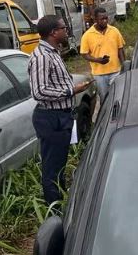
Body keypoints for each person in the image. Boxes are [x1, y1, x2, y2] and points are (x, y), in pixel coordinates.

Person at [28, 15, 93, 205]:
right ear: (53, 33)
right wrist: (72, 90)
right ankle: (54, 210)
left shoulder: (53, 53)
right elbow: (39, 92)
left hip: (61, 116)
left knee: (59, 164)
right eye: (63, 28)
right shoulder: (42, 57)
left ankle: (60, 200)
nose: (66, 31)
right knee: (52, 168)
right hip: (50, 117)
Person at [80, 7, 126, 102]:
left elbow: (120, 49)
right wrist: (98, 60)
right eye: (102, 19)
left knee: (118, 97)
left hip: (116, 71)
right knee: (104, 100)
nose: (105, 21)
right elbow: (84, 54)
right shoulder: (87, 35)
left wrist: (124, 65)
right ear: (95, 19)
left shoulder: (114, 31)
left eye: (106, 18)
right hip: (99, 74)